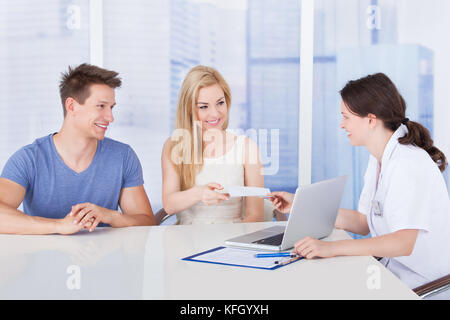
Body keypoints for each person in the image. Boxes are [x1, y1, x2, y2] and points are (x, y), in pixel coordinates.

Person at [269, 73, 450, 291]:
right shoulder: (379, 157)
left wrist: (331, 248)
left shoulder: (407, 163)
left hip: (424, 284)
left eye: (346, 117)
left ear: (371, 120)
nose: (342, 125)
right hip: (393, 271)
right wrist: (299, 205)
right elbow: (363, 222)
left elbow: (403, 242)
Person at [0, 63, 155, 235]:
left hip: (107, 260)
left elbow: (146, 221)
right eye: (101, 106)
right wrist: (59, 226)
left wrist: (110, 216)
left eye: (111, 107)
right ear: (72, 106)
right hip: (42, 260)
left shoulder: (123, 156)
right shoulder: (28, 159)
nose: (110, 117)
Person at [161, 65, 264, 224]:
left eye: (220, 103)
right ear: (188, 109)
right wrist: (199, 193)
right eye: (203, 106)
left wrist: (230, 245)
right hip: (186, 242)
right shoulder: (174, 145)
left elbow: (255, 216)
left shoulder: (246, 147)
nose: (215, 114)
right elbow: (169, 205)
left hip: (231, 240)